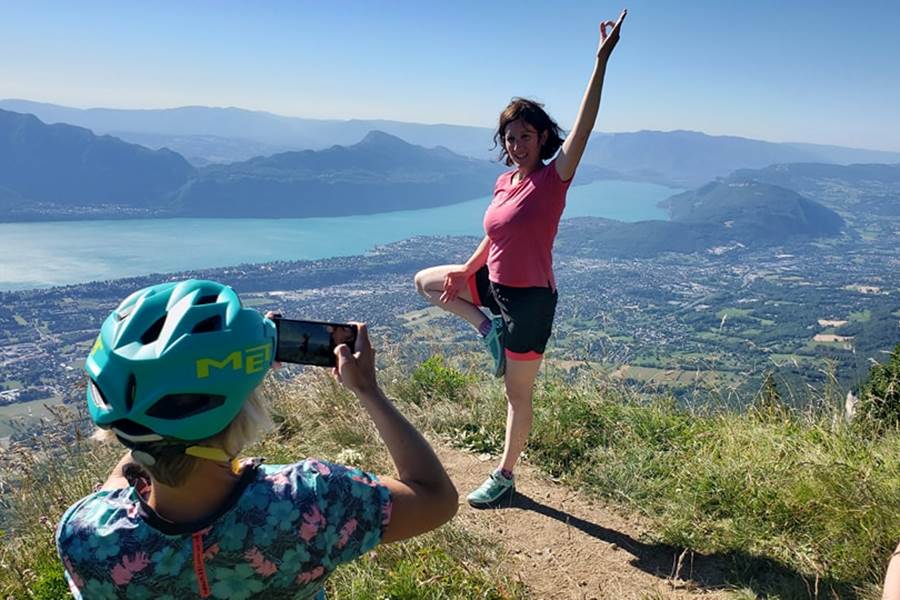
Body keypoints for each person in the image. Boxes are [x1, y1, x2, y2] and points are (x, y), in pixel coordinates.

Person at [55, 279, 457, 599]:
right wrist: (369, 390)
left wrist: (168, 400)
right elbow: (434, 497)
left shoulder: (87, 539)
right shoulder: (312, 503)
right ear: (238, 412)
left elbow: (128, 466)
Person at [414, 10, 627, 507]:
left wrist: (601, 61)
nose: (516, 146)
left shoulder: (555, 178)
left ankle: (506, 475)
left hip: (530, 301)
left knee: (517, 395)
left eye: (525, 137)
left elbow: (586, 124)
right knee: (427, 281)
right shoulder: (504, 182)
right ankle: (490, 333)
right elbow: (495, 236)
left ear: (544, 138)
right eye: (509, 138)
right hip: (494, 283)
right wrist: (466, 272)